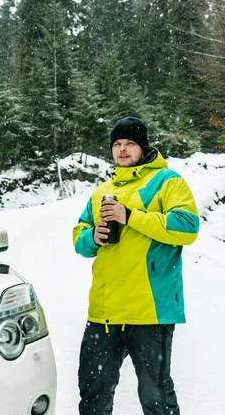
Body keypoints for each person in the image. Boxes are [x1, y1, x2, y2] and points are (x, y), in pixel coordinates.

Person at [73, 116, 199, 415]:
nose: (123, 149)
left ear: (143, 147)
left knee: (156, 397)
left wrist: (130, 216)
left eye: (130, 143)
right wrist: (92, 236)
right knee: (92, 393)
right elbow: (79, 237)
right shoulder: (102, 190)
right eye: (117, 144)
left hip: (149, 311)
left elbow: (187, 227)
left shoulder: (167, 182)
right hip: (104, 312)